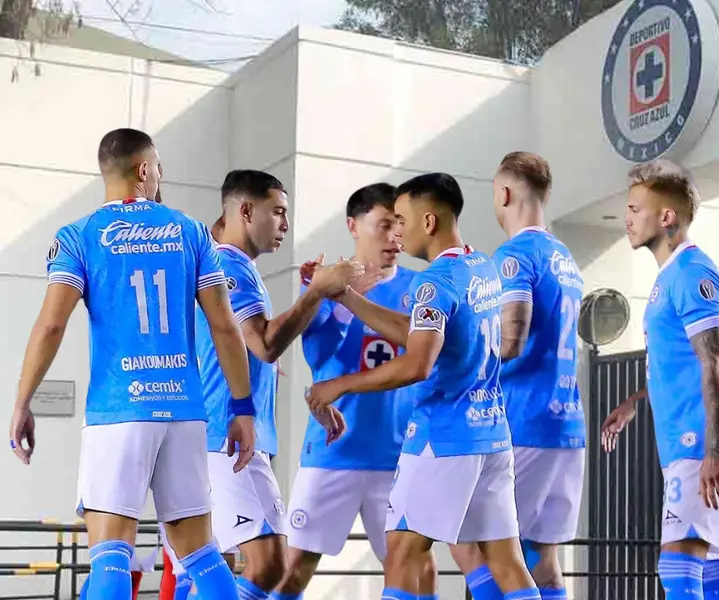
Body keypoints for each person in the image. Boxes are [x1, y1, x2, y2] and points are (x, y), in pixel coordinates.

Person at [8, 127, 254, 600]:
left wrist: (22, 401)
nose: (161, 175)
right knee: (201, 553)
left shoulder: (78, 236)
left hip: (118, 411)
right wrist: (242, 407)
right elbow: (226, 327)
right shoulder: (192, 231)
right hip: (184, 412)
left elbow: (51, 325)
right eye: (158, 166)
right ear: (143, 170)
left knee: (111, 554)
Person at [306, 173, 542, 600]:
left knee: (401, 553)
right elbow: (419, 332)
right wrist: (350, 299)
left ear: (428, 222)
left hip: (443, 438)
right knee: (507, 562)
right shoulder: (481, 266)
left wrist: (341, 384)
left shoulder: (432, 281)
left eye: (401, 219)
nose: (398, 231)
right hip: (490, 435)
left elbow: (417, 363)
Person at [163, 169, 358, 600]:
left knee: (204, 569)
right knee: (269, 564)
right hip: (224, 438)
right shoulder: (229, 265)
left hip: (201, 435)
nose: (285, 225)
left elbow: (247, 347)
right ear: (246, 210)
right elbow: (266, 343)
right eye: (279, 212)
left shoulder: (217, 262)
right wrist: (319, 292)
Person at [273, 183, 436, 599]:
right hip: (333, 454)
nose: (395, 236)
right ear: (353, 225)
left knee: (422, 574)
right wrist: (340, 297)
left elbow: (424, 357)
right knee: (292, 573)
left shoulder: (423, 288)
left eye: (399, 225)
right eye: (383, 225)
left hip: (399, 458)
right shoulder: (323, 287)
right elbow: (319, 358)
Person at [600, 159, 719, 600]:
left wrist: (712, 448)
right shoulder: (671, 277)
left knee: (678, 568)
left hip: (697, 445)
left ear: (666, 217)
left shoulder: (691, 274)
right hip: (692, 444)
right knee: (714, 572)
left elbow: (716, 362)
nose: (626, 218)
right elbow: (682, 362)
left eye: (634, 208)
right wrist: (635, 401)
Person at [450, 152, 585, 600]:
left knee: (480, 546)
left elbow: (511, 340)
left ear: (504, 193)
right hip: (566, 424)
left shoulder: (513, 256)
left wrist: (459, 370)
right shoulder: (566, 259)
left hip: (522, 421)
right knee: (541, 561)